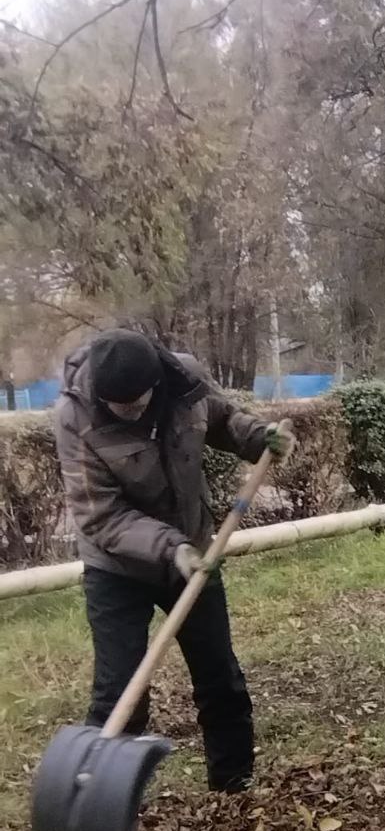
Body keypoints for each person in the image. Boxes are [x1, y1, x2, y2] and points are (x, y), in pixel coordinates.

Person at [52, 329, 295, 793]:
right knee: (119, 691)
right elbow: (99, 515)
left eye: (135, 401)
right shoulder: (74, 416)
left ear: (156, 381)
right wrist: (171, 548)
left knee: (219, 677)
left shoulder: (185, 380)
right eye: (116, 405)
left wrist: (257, 437)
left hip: (195, 556)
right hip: (117, 568)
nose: (128, 411)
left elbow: (221, 418)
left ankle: (233, 787)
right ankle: (100, 799)